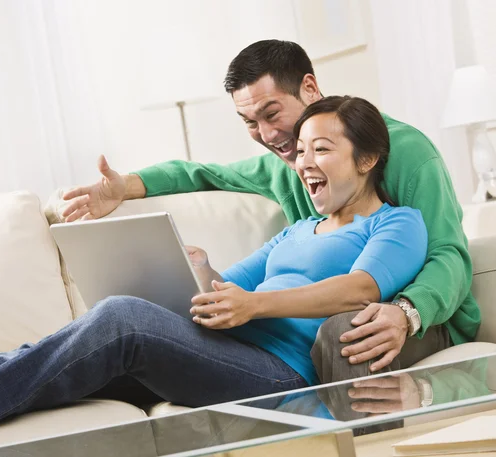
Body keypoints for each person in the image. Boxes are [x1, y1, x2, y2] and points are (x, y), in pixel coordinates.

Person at [0, 96, 427, 436]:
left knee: (121, 319)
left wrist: (254, 304)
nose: (305, 162)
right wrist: (196, 269)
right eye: (302, 151)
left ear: (366, 159)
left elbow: (358, 290)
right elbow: (228, 289)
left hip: (284, 376)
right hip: (228, 354)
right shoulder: (295, 230)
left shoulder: (395, 224)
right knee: (61, 344)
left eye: (323, 150)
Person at [62, 40, 479, 383]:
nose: (266, 135)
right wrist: (128, 188)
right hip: (291, 339)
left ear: (310, 89)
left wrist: (406, 313)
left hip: (419, 319)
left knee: (347, 331)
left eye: (271, 114)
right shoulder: (287, 169)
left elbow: (447, 256)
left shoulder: (406, 155)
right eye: (248, 122)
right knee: (120, 320)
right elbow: (203, 174)